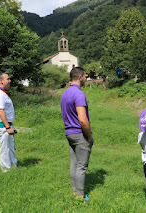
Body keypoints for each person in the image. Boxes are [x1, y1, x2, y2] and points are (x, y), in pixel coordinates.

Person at [60, 67, 93, 202]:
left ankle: (75, 192)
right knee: (82, 166)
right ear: (80, 77)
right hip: (79, 133)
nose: (86, 78)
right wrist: (89, 136)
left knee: (74, 163)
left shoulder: (65, 93)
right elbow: (82, 119)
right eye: (85, 76)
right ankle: (80, 196)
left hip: (69, 132)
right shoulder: (79, 94)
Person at [0, 73, 17, 172]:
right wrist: (8, 127)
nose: (9, 81)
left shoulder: (2, 92)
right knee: (5, 149)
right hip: (2, 126)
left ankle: (13, 166)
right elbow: (0, 110)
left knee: (10, 147)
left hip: (6, 125)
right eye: (8, 79)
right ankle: (6, 170)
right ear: (1, 81)